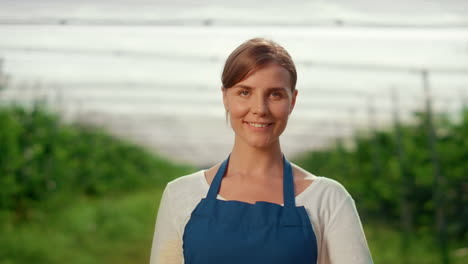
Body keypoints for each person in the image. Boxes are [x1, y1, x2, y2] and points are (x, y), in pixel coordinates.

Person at [149, 37, 374, 264]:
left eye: (275, 94)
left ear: (292, 101)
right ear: (225, 96)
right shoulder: (180, 194)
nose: (260, 109)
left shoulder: (328, 199)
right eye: (244, 92)